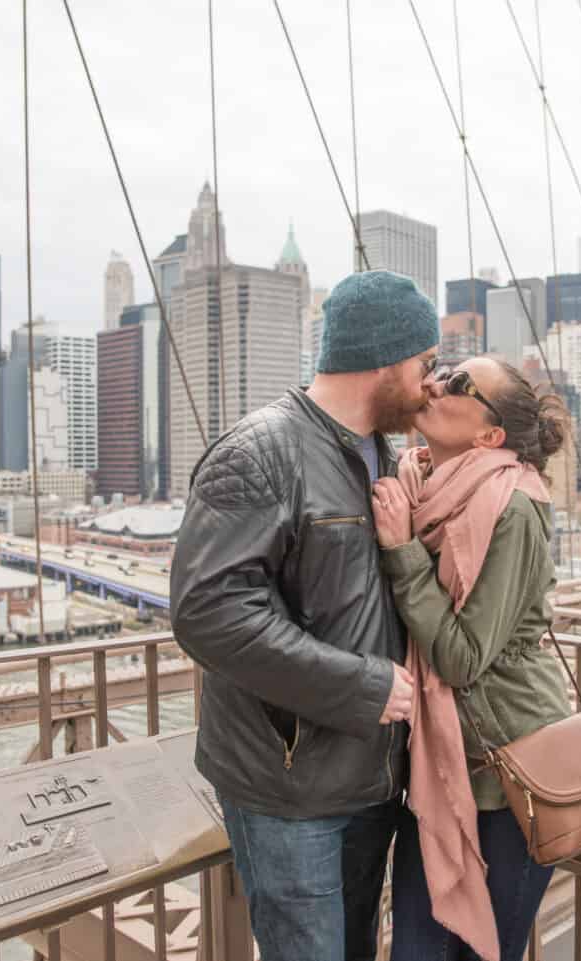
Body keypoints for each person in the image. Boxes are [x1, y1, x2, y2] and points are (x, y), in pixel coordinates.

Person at [171, 270, 438, 961]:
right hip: (290, 798)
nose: (431, 385)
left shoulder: (386, 456)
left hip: (374, 783)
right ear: (383, 359)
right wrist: (362, 687)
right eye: (424, 365)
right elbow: (208, 611)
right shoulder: (259, 453)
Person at [371, 357, 574, 961]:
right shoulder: (415, 482)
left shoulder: (515, 507)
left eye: (461, 385)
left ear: (490, 436)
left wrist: (403, 550)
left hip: (513, 775)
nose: (438, 384)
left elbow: (460, 658)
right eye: (446, 371)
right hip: (439, 767)